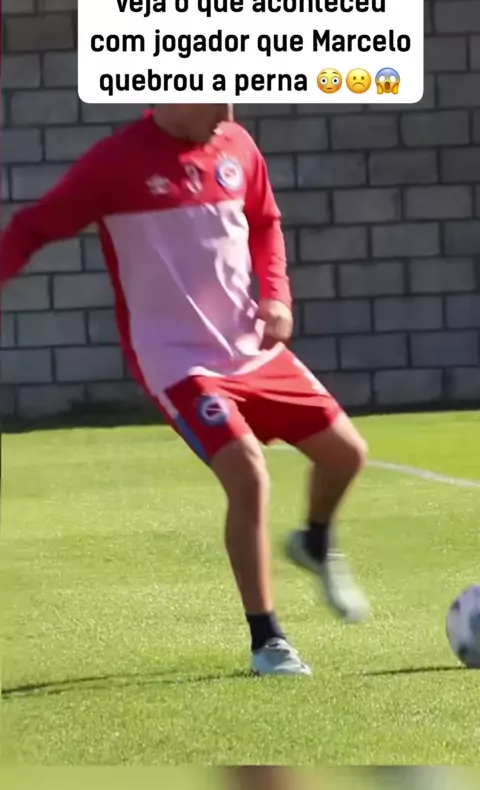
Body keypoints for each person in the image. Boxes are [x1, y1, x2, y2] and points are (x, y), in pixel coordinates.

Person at [0, 103, 369, 676]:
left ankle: (315, 540)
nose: (228, 108)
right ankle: (268, 641)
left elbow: (264, 221)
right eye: (215, 93)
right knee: (247, 472)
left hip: (251, 348)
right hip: (176, 361)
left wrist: (276, 295)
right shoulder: (114, 163)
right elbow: (33, 227)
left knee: (347, 454)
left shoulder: (238, 145)